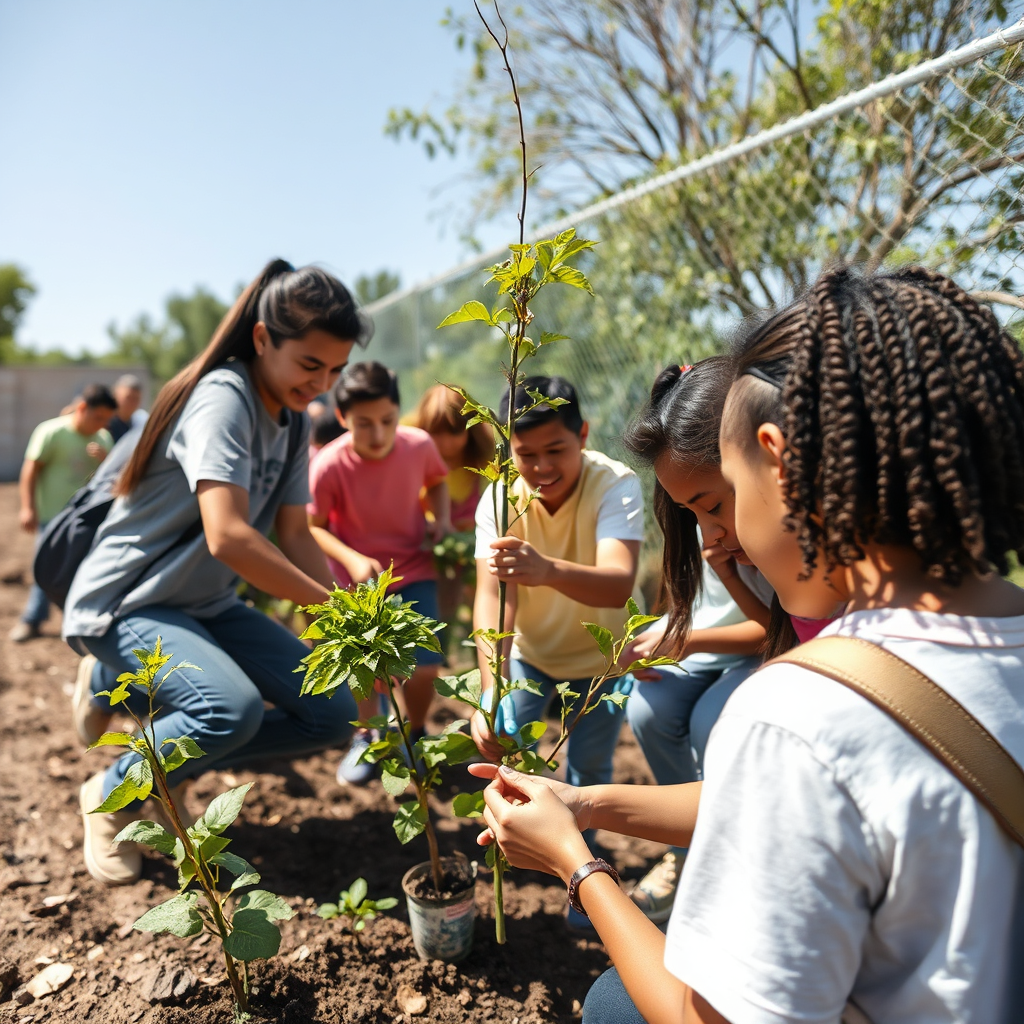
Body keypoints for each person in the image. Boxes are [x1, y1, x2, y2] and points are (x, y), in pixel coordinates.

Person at [470, 266, 1024, 1024]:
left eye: (725, 485)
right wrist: (581, 802)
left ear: (778, 459)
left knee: (613, 1003)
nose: (718, 534)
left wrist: (578, 864)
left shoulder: (803, 709)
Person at [64, 259, 370, 886]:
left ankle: (139, 723)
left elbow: (292, 534)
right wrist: (330, 607)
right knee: (228, 710)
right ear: (263, 339)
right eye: (310, 365)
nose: (321, 384)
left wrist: (347, 617)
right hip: (129, 602)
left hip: (202, 606)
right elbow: (228, 535)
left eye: (334, 370)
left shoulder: (288, 426)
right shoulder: (224, 398)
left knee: (334, 713)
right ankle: (111, 789)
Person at [470, 375, 644, 926]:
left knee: (585, 775)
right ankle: (514, 873)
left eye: (556, 451)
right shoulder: (499, 500)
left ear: (584, 435)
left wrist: (544, 570)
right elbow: (489, 602)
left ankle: (581, 887)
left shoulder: (614, 483)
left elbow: (618, 582)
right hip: (531, 656)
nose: (541, 467)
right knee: (504, 753)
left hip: (603, 664)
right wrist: (490, 684)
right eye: (526, 455)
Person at [611, 359, 774, 921]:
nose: (705, 529)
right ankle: (688, 850)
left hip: (744, 654)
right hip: (707, 649)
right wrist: (667, 634)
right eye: (687, 513)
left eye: (708, 506)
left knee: (711, 721)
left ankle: (727, 851)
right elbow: (687, 602)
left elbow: (774, 636)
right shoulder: (710, 529)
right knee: (649, 709)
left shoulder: (773, 540)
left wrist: (688, 640)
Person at [307, 361, 452, 785]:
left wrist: (439, 519)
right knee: (365, 670)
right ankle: (369, 737)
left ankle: (416, 735)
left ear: (398, 412)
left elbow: (438, 481)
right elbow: (313, 528)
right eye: (363, 424)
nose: (378, 435)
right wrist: (351, 558)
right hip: (356, 584)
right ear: (341, 418)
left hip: (413, 567)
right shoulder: (329, 465)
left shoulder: (419, 445)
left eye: (387, 421)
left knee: (425, 667)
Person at [10, 383, 117, 642]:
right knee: (46, 567)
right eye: (98, 417)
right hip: (52, 516)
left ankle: (76, 623)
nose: (102, 424)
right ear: (82, 408)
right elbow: (31, 470)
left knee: (82, 570)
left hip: (86, 520)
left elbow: (112, 479)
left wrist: (105, 459)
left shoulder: (103, 439)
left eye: (106, 420)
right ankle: (32, 619)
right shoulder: (52, 432)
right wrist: (28, 507)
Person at [106, 374, 149, 443]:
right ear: (115, 395)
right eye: (128, 398)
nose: (132, 403)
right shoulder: (105, 423)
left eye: (136, 399)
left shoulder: (140, 424)